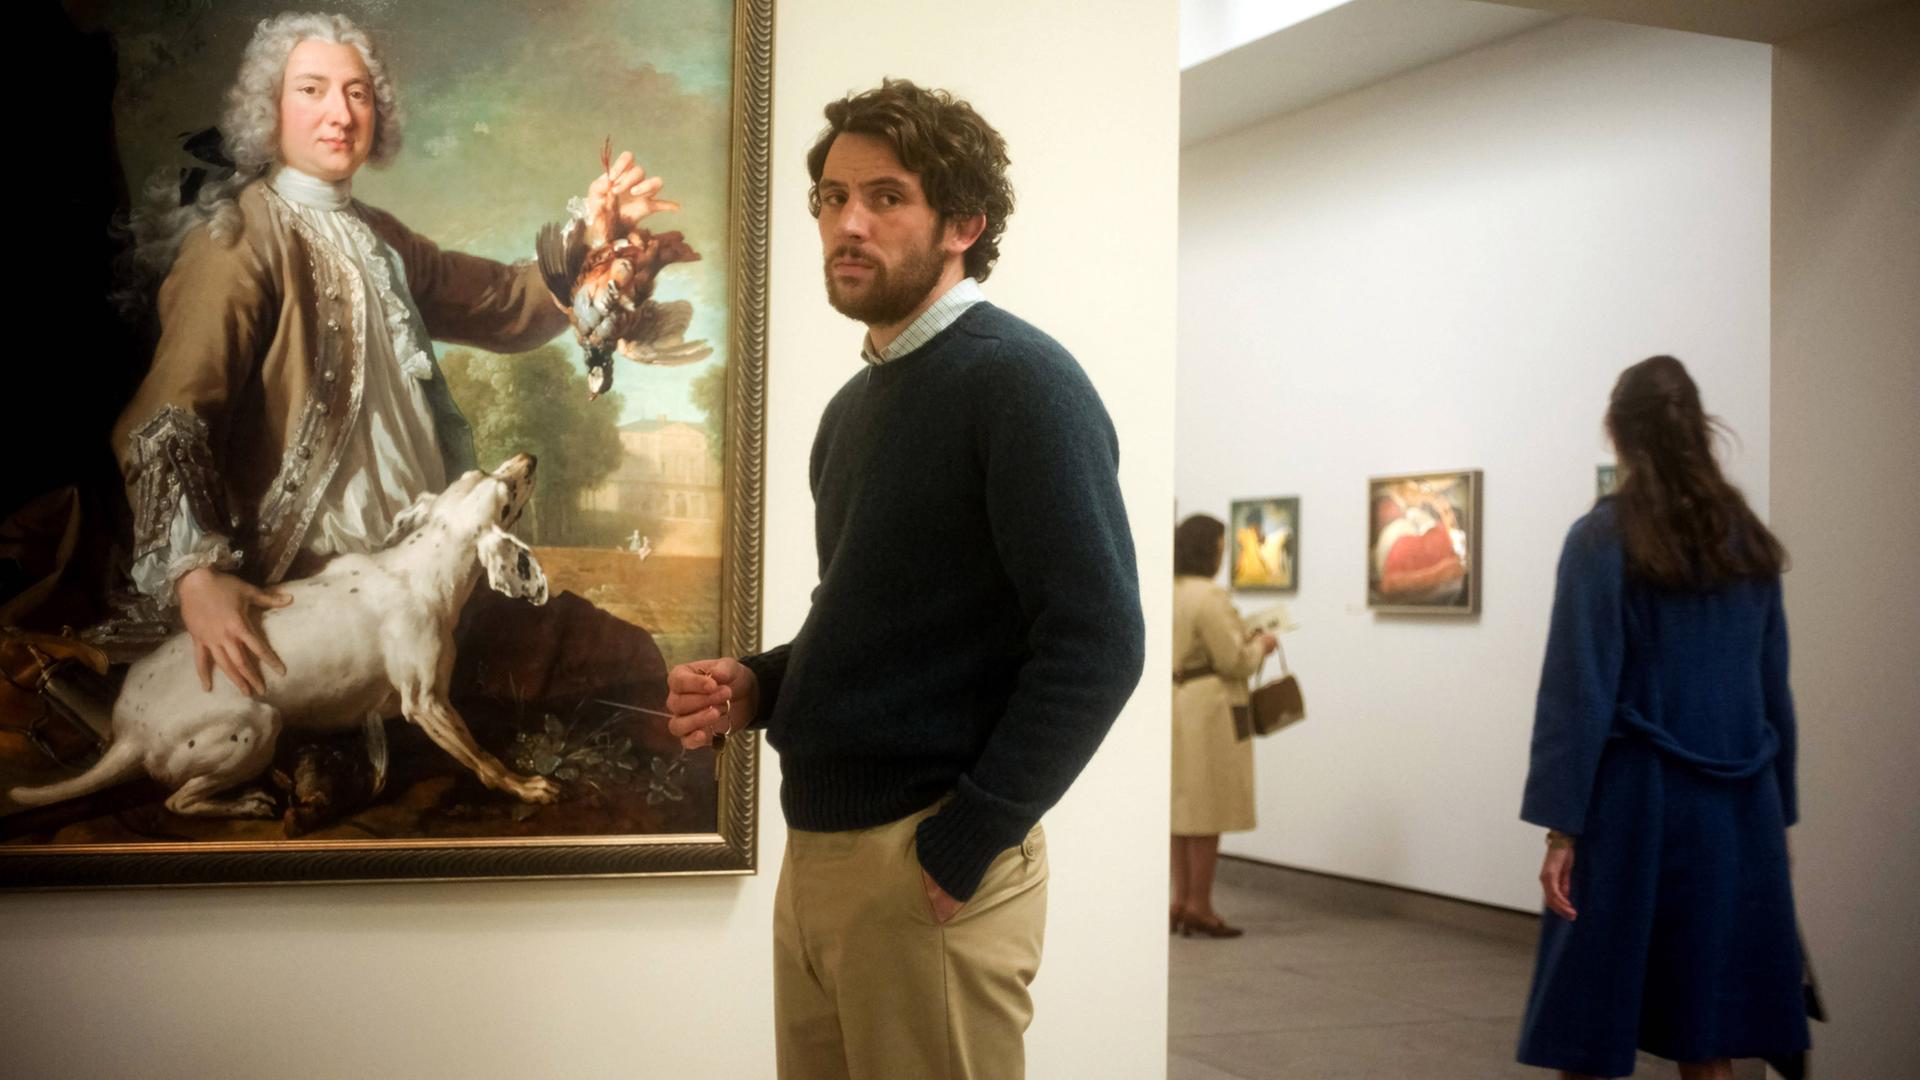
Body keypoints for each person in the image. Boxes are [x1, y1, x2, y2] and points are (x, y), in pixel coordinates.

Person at [664, 79, 1145, 1079]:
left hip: (927, 861)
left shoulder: (1022, 382)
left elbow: (1099, 639)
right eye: (833, 197)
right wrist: (761, 685)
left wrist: (972, 837)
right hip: (820, 855)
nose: (848, 223)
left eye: (886, 197)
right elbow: (877, 620)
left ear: (964, 224)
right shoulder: (853, 408)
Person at [106, 11, 676, 698]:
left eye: (358, 93)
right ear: (268, 110)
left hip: (420, 570)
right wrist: (196, 578)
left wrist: (596, 239)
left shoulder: (379, 237)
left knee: (616, 660)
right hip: (306, 582)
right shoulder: (236, 241)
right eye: (311, 90)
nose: (340, 113)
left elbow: (501, 302)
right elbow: (168, 419)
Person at [1517, 356, 1809, 1079]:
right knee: (1708, 1029)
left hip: (1636, 807)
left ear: (1618, 433)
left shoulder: (1601, 538)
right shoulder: (1747, 540)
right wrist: (1778, 817)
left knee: (1590, 1020)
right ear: (1697, 428)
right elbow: (1773, 692)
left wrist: (1561, 828)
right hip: (1737, 806)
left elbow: (1576, 692)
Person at [1171, 514, 1277, 938]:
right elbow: (1234, 660)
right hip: (1209, 710)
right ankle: (1200, 905)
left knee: (1180, 809)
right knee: (1207, 810)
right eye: (1221, 547)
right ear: (1209, 550)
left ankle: (1179, 900)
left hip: (1176, 702)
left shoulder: (1170, 589)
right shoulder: (1210, 596)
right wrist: (1262, 644)